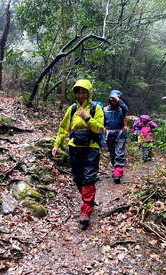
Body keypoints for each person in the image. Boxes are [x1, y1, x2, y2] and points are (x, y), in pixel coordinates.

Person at [52, 79, 104, 230]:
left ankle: (86, 210)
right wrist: (57, 144)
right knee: (77, 177)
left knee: (88, 177)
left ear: (89, 93)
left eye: (84, 91)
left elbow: (100, 128)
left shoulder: (96, 109)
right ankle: (88, 200)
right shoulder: (72, 108)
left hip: (91, 147)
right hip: (74, 147)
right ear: (75, 93)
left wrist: (87, 117)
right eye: (78, 91)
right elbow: (63, 129)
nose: (81, 94)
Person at [103, 90, 129, 184]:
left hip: (120, 133)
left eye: (116, 99)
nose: (113, 101)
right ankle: (116, 169)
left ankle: (118, 173)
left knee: (119, 152)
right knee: (112, 153)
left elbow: (126, 110)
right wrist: (103, 128)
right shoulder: (105, 109)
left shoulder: (122, 108)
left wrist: (118, 101)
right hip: (109, 133)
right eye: (112, 99)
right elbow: (102, 120)